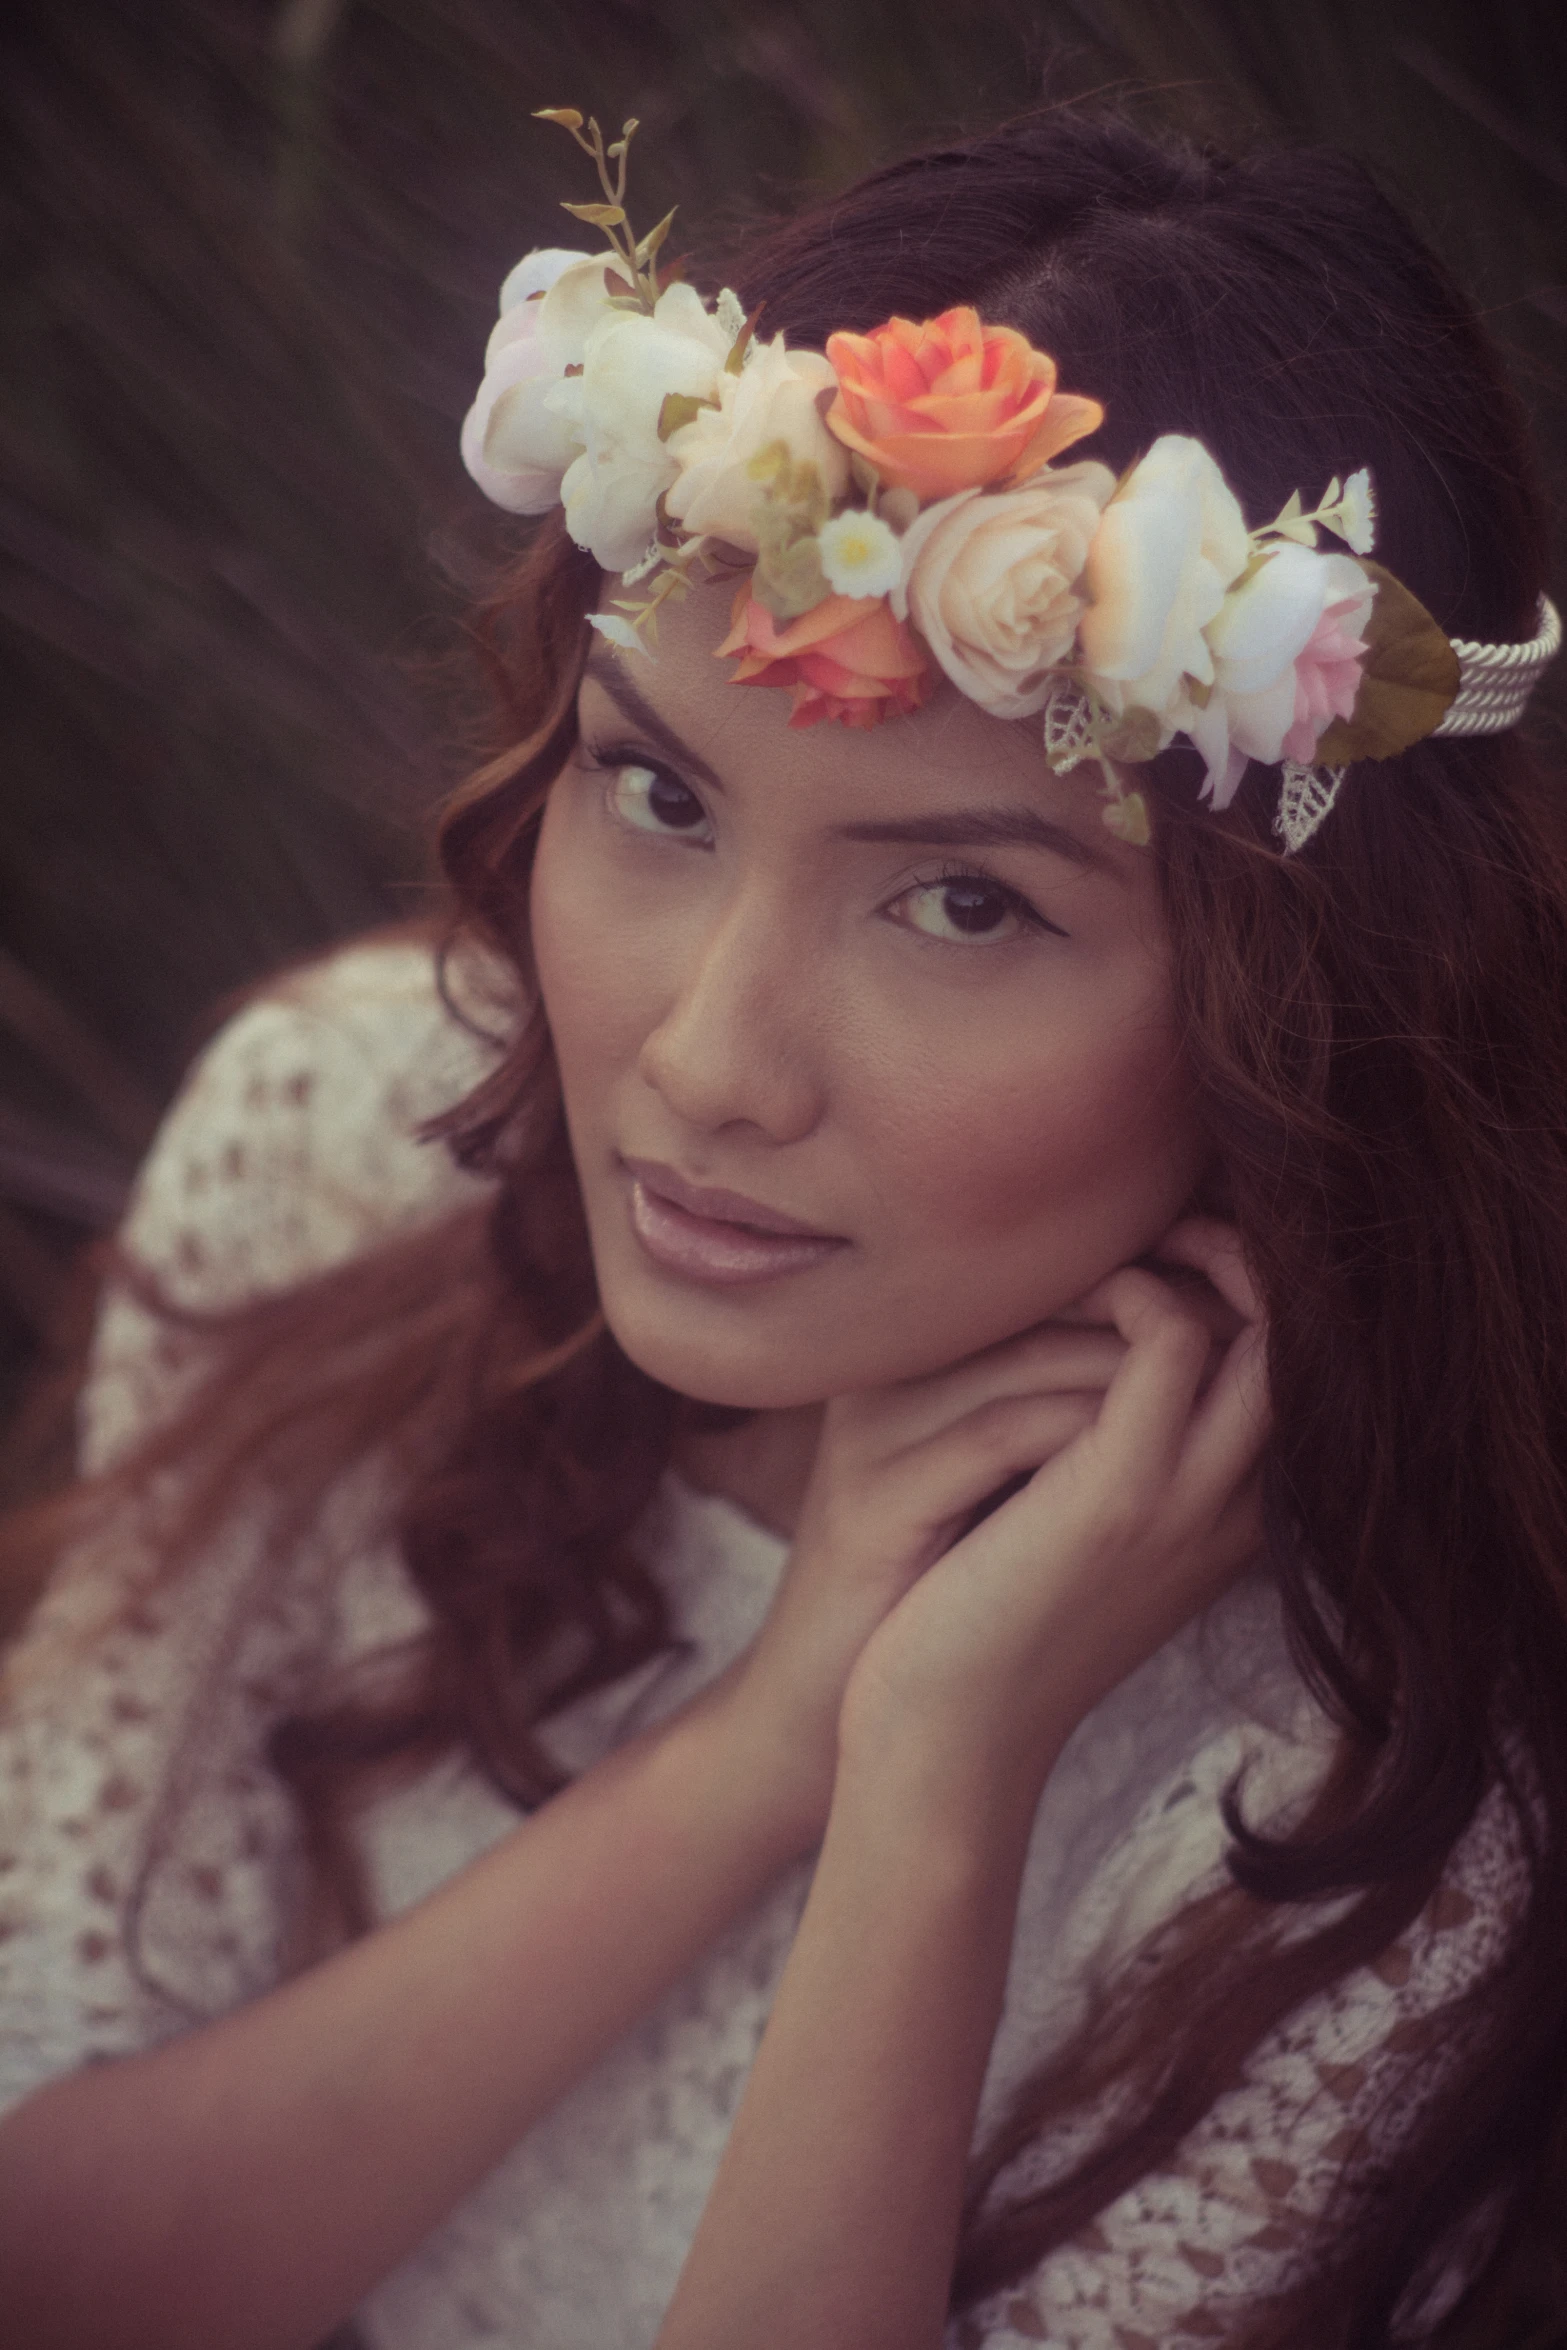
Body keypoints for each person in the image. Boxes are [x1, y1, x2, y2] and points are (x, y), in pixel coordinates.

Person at [0, 97, 1563, 2350]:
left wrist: (934, 1772)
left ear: (1304, 1005)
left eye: (960, 901)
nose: (712, 1060)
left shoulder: (1397, 1797)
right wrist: (756, 1747)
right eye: (658, 790)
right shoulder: (348, 1150)